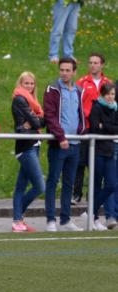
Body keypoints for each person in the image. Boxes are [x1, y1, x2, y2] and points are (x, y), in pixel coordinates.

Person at [44, 57, 86, 232]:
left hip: (75, 144)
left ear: (74, 72)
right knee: (53, 181)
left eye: (68, 70)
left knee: (69, 183)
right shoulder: (52, 89)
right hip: (58, 144)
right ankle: (51, 220)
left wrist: (81, 130)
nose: (64, 73)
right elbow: (50, 115)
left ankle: (66, 219)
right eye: (62, 69)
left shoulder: (78, 90)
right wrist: (60, 137)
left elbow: (80, 114)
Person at [73, 53, 113, 204]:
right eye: (90, 62)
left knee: (98, 163)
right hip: (86, 127)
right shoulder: (82, 82)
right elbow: (76, 103)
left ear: (102, 65)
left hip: (103, 130)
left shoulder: (107, 83)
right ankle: (76, 194)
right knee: (80, 162)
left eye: (96, 63)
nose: (93, 65)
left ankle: (94, 193)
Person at [11, 72, 46, 233]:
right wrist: (35, 121)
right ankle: (18, 214)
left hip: (34, 145)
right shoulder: (20, 99)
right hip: (26, 147)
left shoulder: (33, 102)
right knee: (40, 186)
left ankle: (18, 220)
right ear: (21, 84)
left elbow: (41, 121)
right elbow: (37, 121)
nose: (30, 86)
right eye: (27, 83)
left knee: (21, 186)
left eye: (32, 84)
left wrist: (34, 121)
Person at [88, 82, 118, 230]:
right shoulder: (97, 107)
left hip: (109, 151)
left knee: (112, 184)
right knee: (96, 185)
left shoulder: (115, 109)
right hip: (98, 151)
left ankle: (90, 211)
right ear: (102, 94)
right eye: (107, 94)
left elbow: (114, 128)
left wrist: (104, 126)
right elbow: (94, 126)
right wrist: (108, 128)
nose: (110, 97)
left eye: (112, 94)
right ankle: (93, 217)